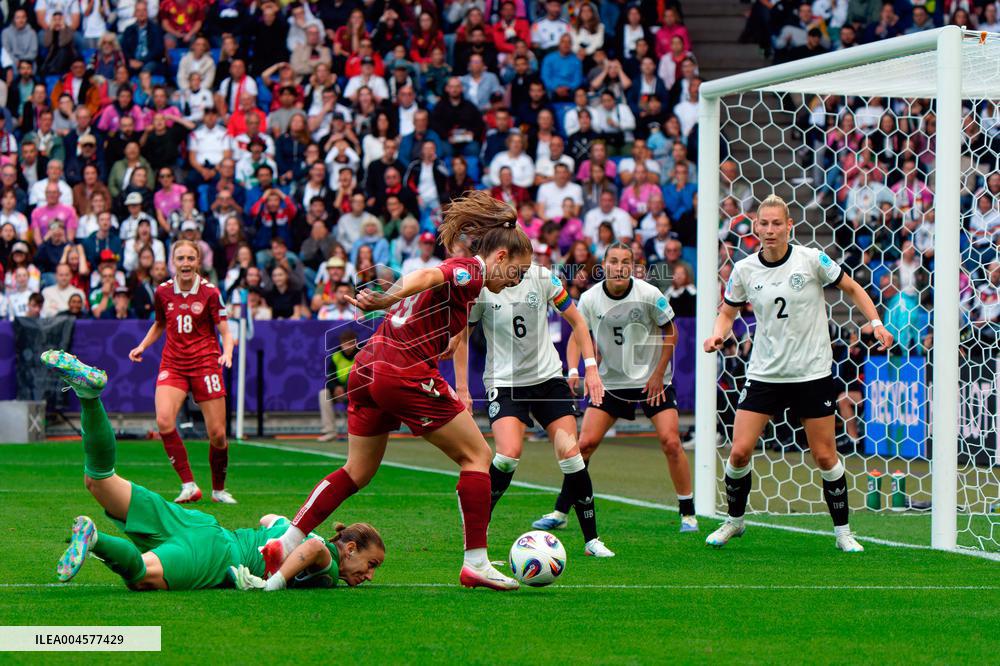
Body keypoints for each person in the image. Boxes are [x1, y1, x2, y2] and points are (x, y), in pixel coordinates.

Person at [259, 191, 534, 591]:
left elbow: (433, 299)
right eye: (518, 272)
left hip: (368, 368)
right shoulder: (471, 270)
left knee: (356, 471)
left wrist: (452, 337)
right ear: (502, 258)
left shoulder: (471, 283)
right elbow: (426, 277)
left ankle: (287, 542)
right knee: (478, 456)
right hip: (402, 371)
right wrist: (386, 297)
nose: (517, 281)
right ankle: (475, 562)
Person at [44, 350, 384, 591]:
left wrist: (280, 535)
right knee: (143, 577)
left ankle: (89, 396)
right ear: (350, 549)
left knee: (100, 481)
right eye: (371, 565)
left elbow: (269, 519)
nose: (369, 576)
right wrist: (272, 584)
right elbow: (314, 550)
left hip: (205, 528)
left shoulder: (294, 529)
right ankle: (95, 539)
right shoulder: (330, 568)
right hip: (218, 555)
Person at [703, 195, 894, 552]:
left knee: (824, 456)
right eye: (764, 223)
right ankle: (734, 521)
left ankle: (843, 533)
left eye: (777, 223)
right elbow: (727, 312)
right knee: (739, 453)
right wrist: (718, 332)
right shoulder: (744, 270)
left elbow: (852, 288)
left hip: (811, 374)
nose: (770, 230)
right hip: (764, 374)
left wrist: (876, 322)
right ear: (756, 227)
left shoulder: (811, 260)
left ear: (789, 225)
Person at [454, 259, 614, 557]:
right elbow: (462, 335)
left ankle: (592, 540)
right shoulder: (484, 289)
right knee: (507, 456)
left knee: (571, 454)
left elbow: (578, 321)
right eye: (520, 264)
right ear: (504, 257)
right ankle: (478, 523)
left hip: (549, 379)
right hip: (505, 384)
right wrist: (462, 388)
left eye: (528, 264)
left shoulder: (543, 278)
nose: (525, 269)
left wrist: (590, 367)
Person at [534, 242, 698, 532]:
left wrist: (659, 373)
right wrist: (574, 370)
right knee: (583, 446)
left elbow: (671, 331)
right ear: (604, 266)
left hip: (651, 380)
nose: (619, 267)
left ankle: (688, 514)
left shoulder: (649, 294)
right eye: (613, 261)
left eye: (625, 261)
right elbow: (576, 335)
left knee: (671, 442)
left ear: (633, 266)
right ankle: (560, 512)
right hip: (611, 383)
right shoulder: (590, 299)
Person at [128, 241, 237, 505]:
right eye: (180, 258)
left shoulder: (210, 292)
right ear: (172, 262)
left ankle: (218, 490)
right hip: (174, 363)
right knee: (164, 421)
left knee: (218, 435)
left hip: (205, 364)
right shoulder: (163, 291)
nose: (185, 263)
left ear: (198, 261)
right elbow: (159, 323)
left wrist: (228, 352)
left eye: (190, 258)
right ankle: (188, 485)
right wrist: (142, 346)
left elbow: (224, 330)